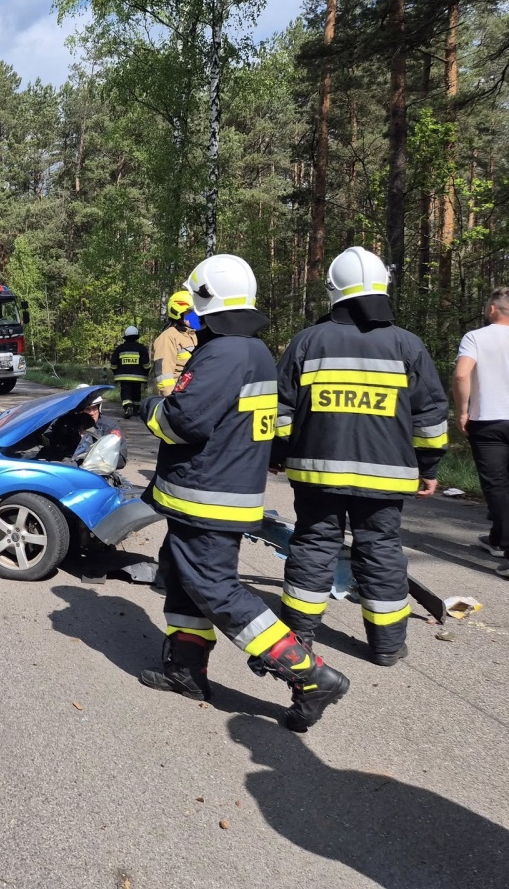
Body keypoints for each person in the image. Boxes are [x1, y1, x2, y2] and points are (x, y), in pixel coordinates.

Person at [139, 254, 350, 733]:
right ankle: (185, 672)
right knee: (183, 580)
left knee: (217, 589)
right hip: (217, 492)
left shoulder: (223, 353)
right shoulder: (251, 350)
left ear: (206, 300)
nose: (190, 310)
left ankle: (309, 674)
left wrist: (150, 407)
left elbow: (182, 421)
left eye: (194, 301)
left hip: (206, 495)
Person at [272, 246, 449, 663]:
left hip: (317, 474)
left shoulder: (307, 341)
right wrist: (429, 467)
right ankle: (387, 646)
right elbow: (429, 416)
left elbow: (279, 408)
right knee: (381, 550)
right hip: (385, 477)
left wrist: (278, 453)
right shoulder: (408, 345)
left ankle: (297, 641)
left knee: (313, 545)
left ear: (333, 290)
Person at [452, 288, 509, 575]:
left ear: (491, 310)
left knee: (496, 486)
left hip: (487, 420)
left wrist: (463, 410)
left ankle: (506, 545)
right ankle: (498, 539)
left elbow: (462, 374)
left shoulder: (475, 337)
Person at [151, 290, 199, 395]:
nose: (196, 316)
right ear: (178, 313)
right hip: (180, 398)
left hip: (196, 396)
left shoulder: (195, 335)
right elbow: (164, 377)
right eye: (191, 312)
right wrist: (172, 403)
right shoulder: (168, 337)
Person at [71, 390, 128, 469]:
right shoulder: (67, 424)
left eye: (94, 408)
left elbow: (120, 460)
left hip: (96, 471)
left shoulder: (109, 427)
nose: (92, 413)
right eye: (87, 409)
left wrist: (96, 458)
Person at [110, 326, 151, 418]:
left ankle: (128, 406)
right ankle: (136, 410)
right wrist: (146, 372)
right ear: (137, 336)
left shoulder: (120, 349)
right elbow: (146, 364)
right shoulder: (141, 348)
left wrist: (116, 372)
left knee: (126, 392)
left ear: (125, 336)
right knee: (137, 392)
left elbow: (113, 364)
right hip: (138, 377)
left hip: (123, 377)